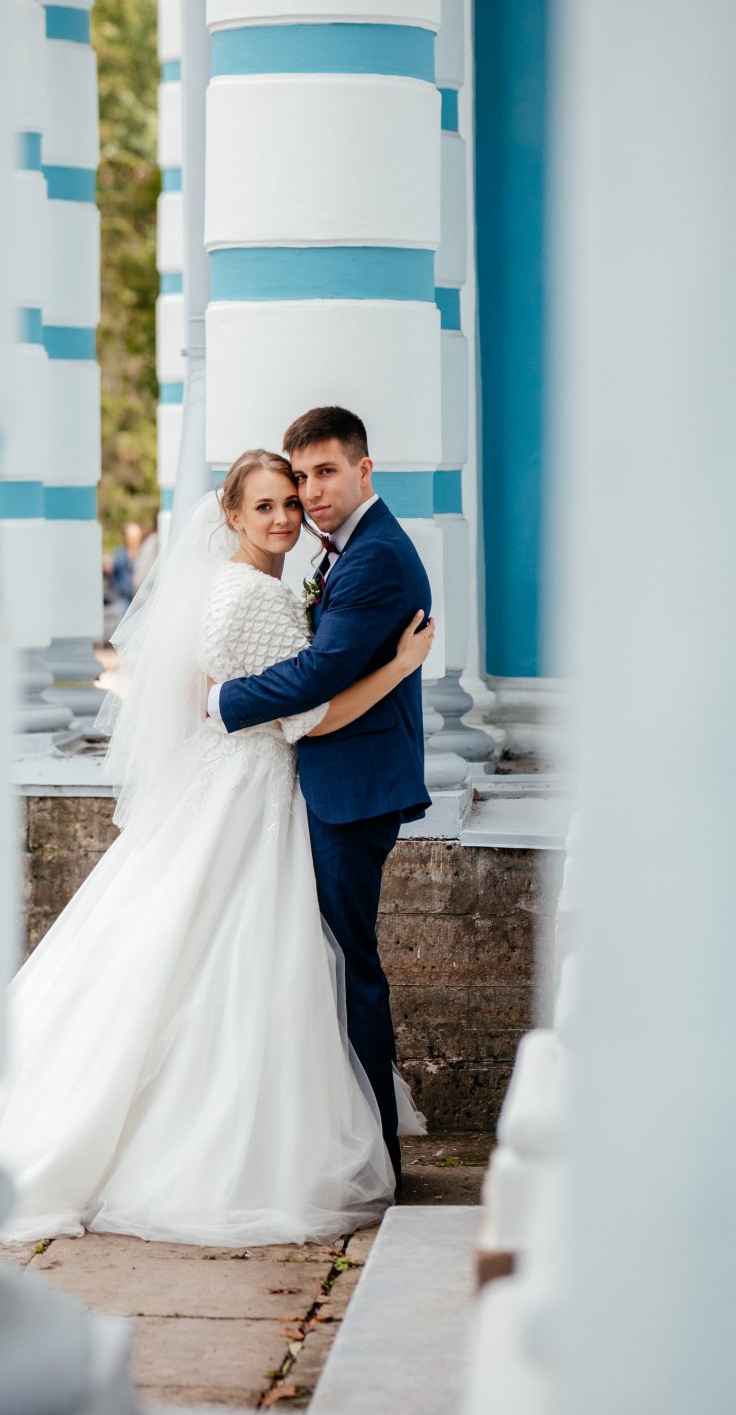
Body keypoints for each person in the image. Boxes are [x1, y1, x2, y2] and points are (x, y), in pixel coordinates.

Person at [0, 448, 433, 1244]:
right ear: (231, 515)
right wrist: (400, 667)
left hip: (228, 787)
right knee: (242, 960)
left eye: (290, 503)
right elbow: (312, 716)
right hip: (250, 795)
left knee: (177, 951)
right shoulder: (256, 596)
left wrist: (228, 698)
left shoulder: (226, 584)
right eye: (266, 506)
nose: (285, 518)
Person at [207, 407, 431, 1189]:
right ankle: (353, 1144)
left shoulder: (373, 557)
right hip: (325, 783)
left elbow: (318, 676)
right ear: (234, 515)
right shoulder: (337, 557)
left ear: (364, 469)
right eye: (297, 479)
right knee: (327, 965)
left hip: (350, 790)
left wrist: (221, 701)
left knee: (346, 967)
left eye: (322, 473)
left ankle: (376, 1154)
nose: (307, 496)